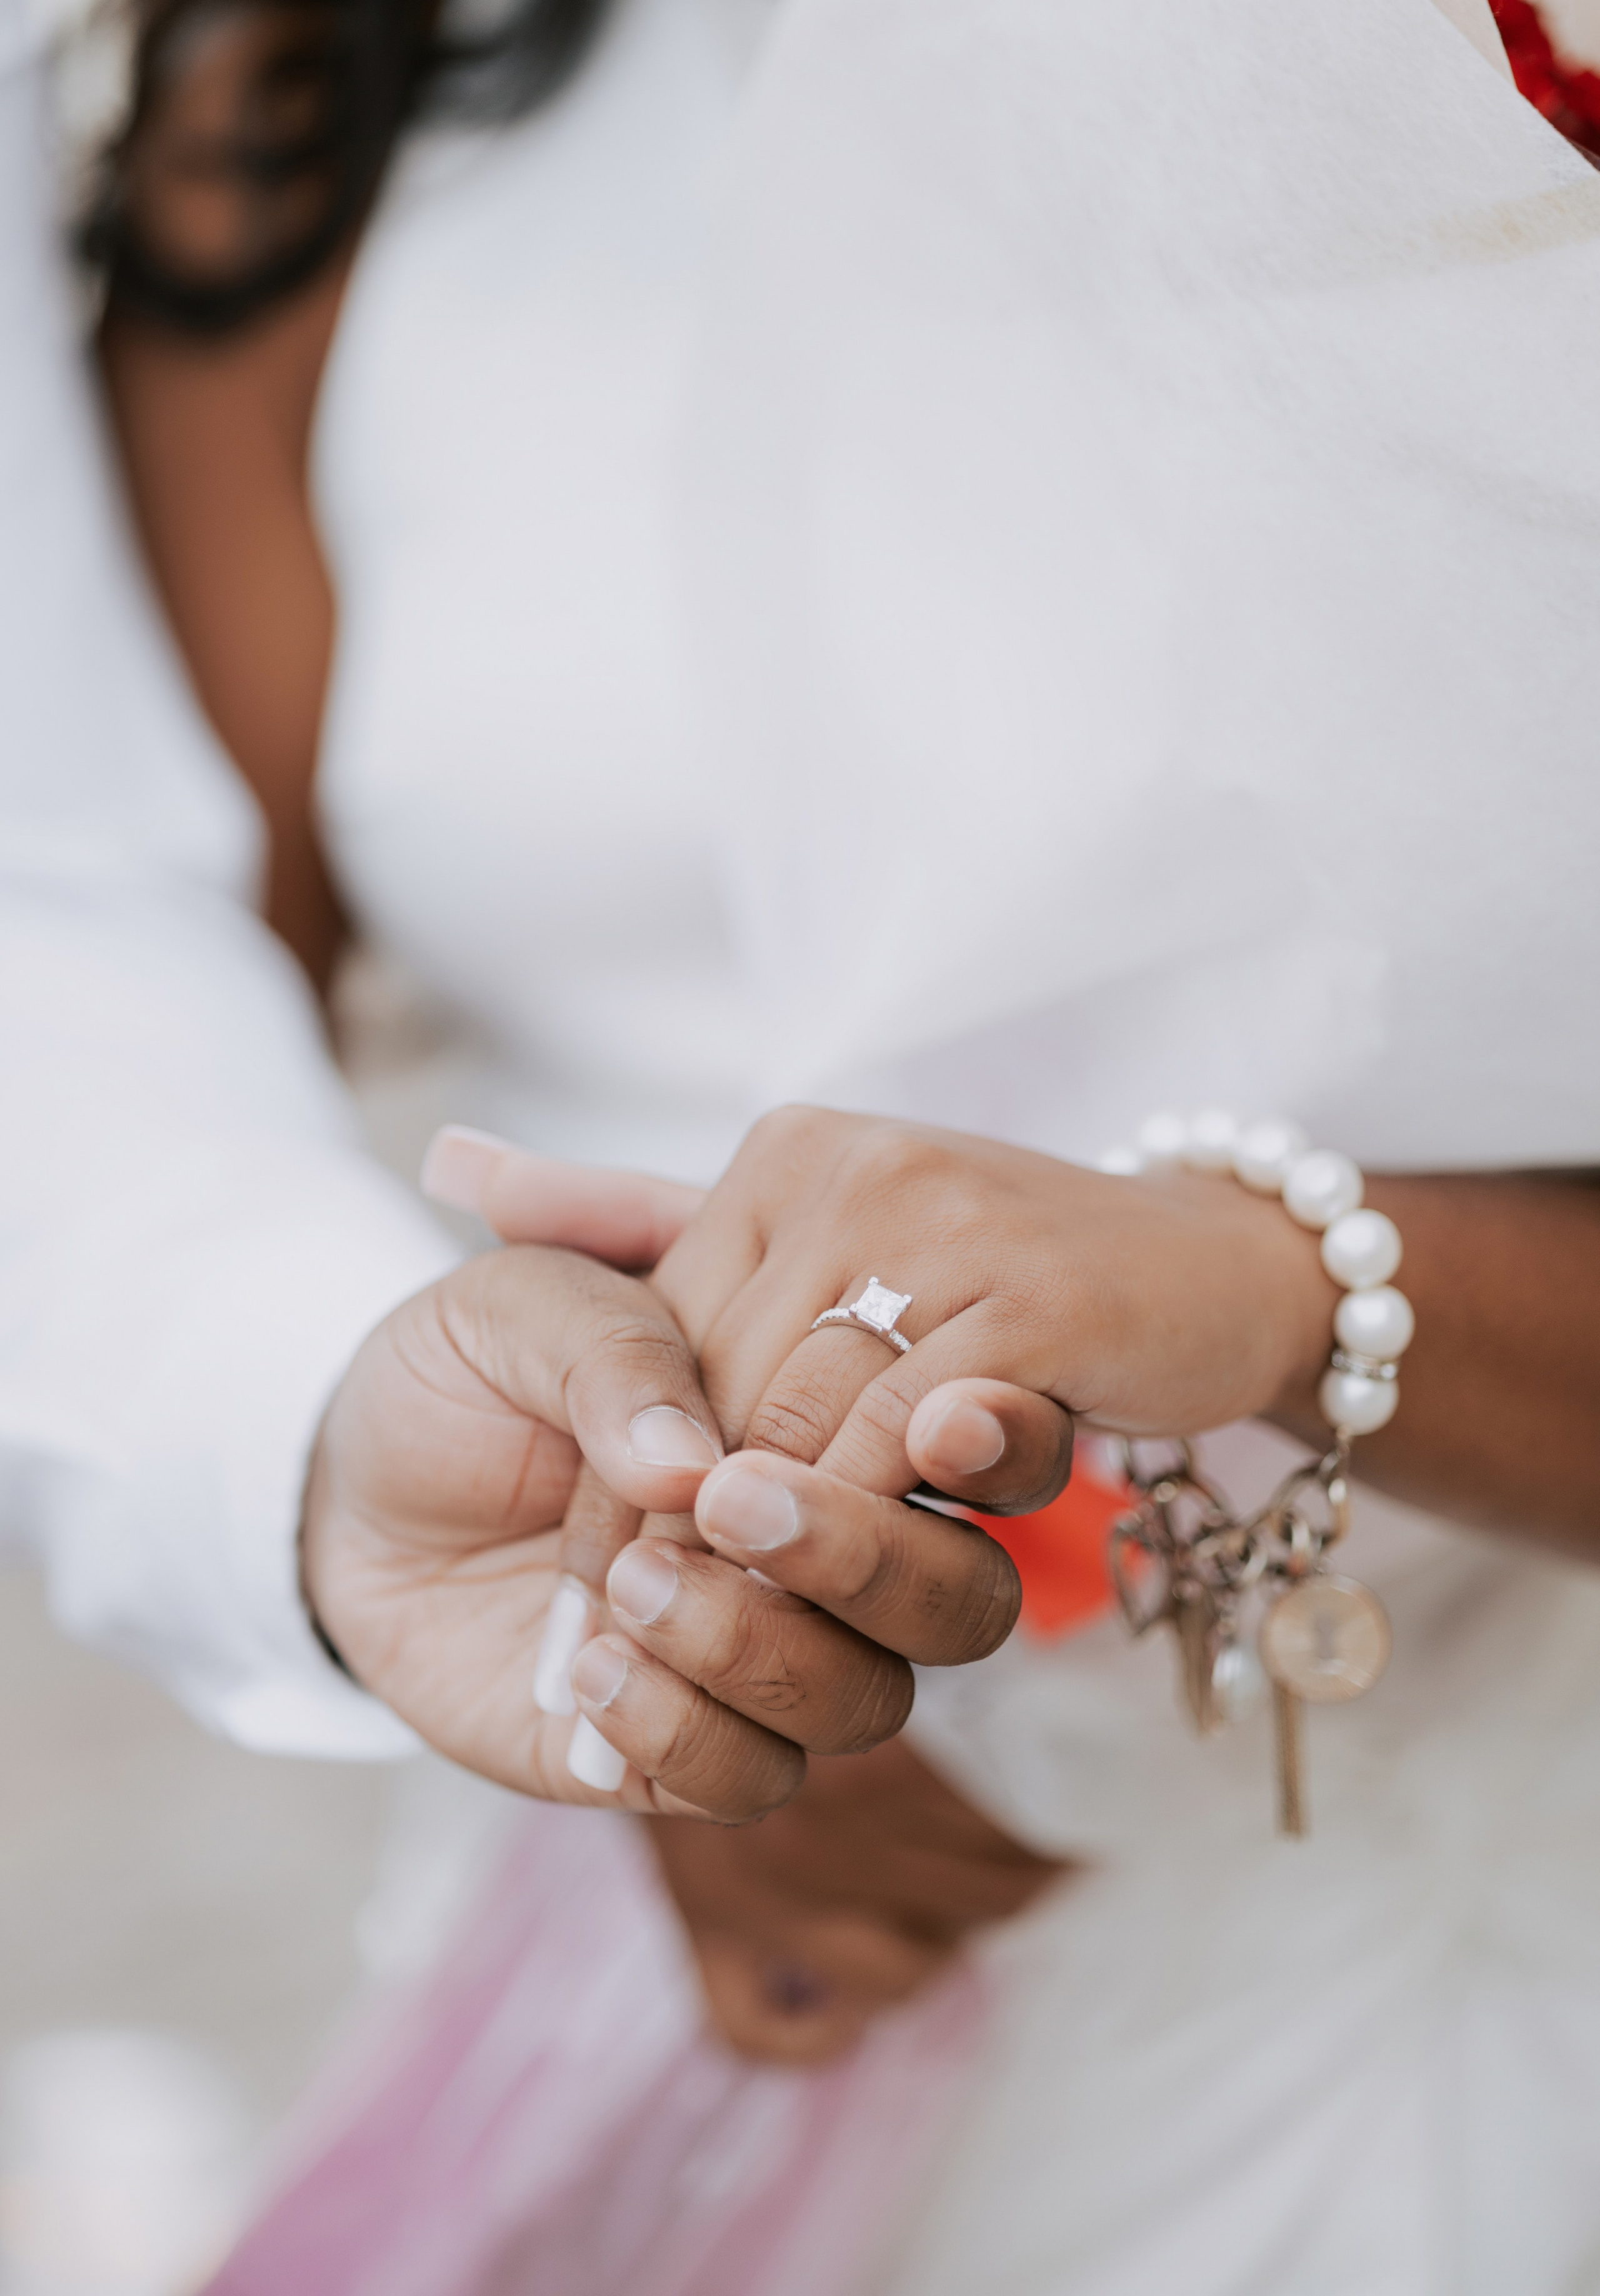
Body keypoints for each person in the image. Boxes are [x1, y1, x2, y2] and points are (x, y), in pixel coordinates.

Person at [8, 0, 1600, 2285]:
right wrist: (609, 1552)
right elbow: (106, 954)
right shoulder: (323, 85)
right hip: (684, 1862)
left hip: (1479, 1847)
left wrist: (1268, 1276)